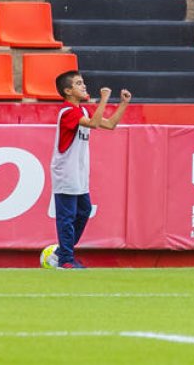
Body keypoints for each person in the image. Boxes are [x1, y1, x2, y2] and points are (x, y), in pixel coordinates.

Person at [51, 71, 131, 269]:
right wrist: (104, 98)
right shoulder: (68, 111)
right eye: (79, 83)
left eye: (83, 82)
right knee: (67, 217)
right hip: (66, 172)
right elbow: (95, 124)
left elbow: (110, 125)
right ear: (68, 91)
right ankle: (65, 260)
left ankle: (62, 252)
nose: (84, 86)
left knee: (84, 211)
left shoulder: (83, 111)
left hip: (79, 173)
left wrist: (123, 104)